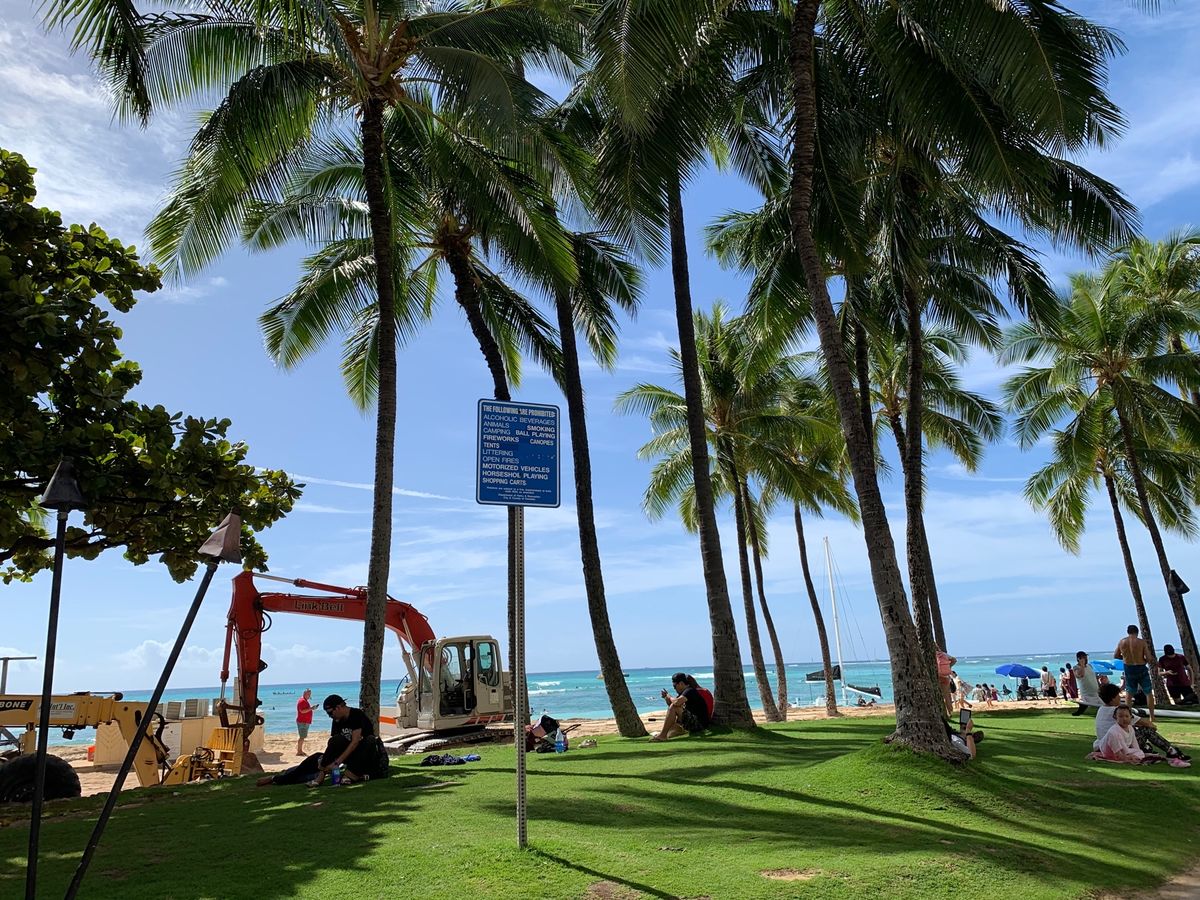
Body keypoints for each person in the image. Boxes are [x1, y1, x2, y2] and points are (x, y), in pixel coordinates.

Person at [259, 694, 389, 786]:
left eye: (330, 712)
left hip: (363, 755)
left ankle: (349, 775)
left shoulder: (356, 715)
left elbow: (355, 742)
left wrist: (337, 763)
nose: (329, 716)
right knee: (316, 758)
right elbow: (334, 743)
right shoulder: (337, 720)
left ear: (339, 707)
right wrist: (325, 764)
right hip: (347, 757)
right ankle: (277, 779)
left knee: (370, 740)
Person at [1092, 683, 1189, 763]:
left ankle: (1146, 748)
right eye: (1118, 695)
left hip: (1102, 744)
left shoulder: (1101, 709)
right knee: (1147, 729)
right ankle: (1171, 751)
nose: (1120, 697)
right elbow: (1144, 722)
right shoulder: (1118, 711)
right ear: (1113, 698)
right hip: (1117, 744)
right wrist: (1152, 727)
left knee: (1134, 729)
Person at [650, 673, 710, 742]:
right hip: (694, 722)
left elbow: (676, 703)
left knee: (674, 707)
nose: (674, 688)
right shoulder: (683, 693)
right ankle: (663, 734)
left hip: (699, 724)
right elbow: (671, 706)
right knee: (671, 727)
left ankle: (663, 736)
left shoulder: (689, 691)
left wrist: (669, 696)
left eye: (675, 686)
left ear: (681, 683)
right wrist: (666, 697)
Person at [1115, 625, 1155, 723]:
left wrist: (1125, 658)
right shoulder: (1141, 642)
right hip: (1140, 666)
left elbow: (1116, 655)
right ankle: (1152, 716)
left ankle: (1128, 715)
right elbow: (1149, 658)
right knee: (1148, 692)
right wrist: (1146, 660)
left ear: (1128, 632)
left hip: (1129, 667)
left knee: (1129, 693)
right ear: (1137, 632)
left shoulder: (1122, 642)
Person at [936, 649, 956, 716]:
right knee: (947, 695)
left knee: (938, 695)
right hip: (946, 676)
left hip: (937, 676)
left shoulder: (930, 654)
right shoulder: (944, 654)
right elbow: (954, 660)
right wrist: (949, 667)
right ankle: (950, 712)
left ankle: (942, 711)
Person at [295, 688, 314, 756]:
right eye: (308, 694)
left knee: (302, 737)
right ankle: (299, 751)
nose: (309, 696)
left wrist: (311, 708)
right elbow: (302, 711)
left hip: (304, 721)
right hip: (303, 722)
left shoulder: (304, 700)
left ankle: (300, 750)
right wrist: (311, 708)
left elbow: (304, 710)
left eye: (310, 694)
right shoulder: (302, 701)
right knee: (302, 737)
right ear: (305, 694)